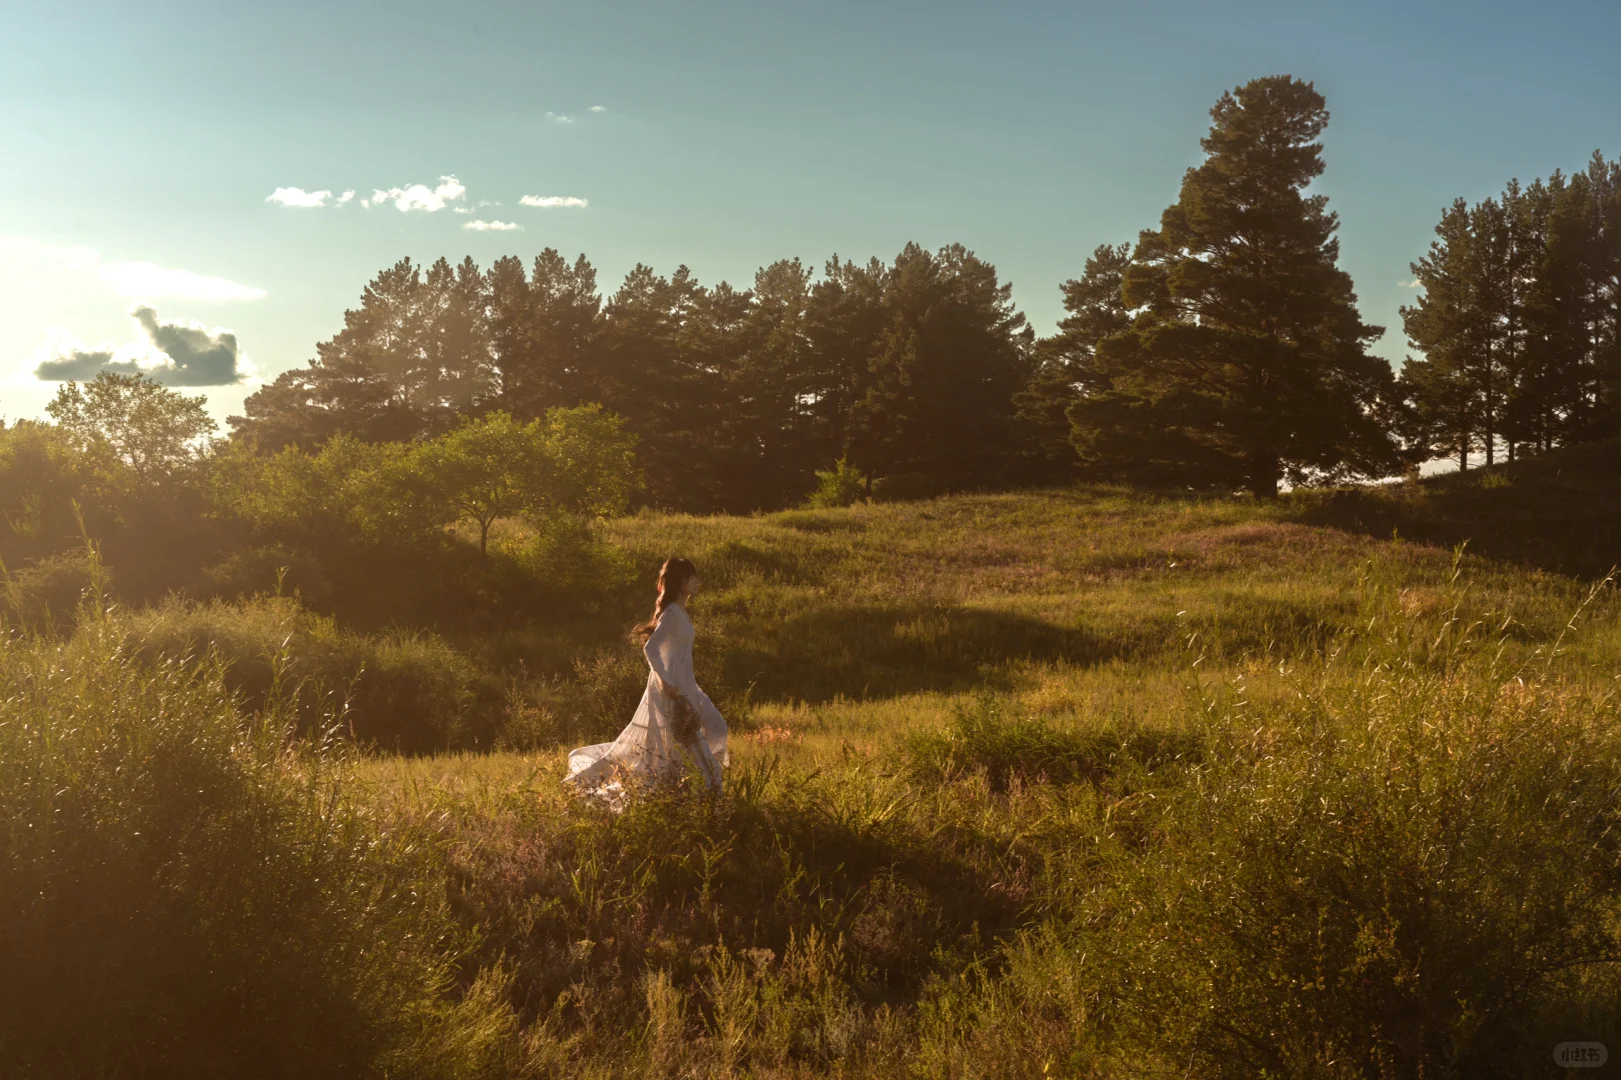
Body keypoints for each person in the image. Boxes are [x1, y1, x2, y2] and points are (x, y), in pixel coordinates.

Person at [565, 557, 728, 803]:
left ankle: (695, 789)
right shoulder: (672, 613)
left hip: (686, 685)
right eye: (691, 577)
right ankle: (700, 791)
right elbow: (651, 648)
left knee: (715, 728)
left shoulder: (680, 611)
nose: (696, 582)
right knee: (681, 745)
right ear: (680, 581)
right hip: (672, 690)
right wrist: (666, 682)